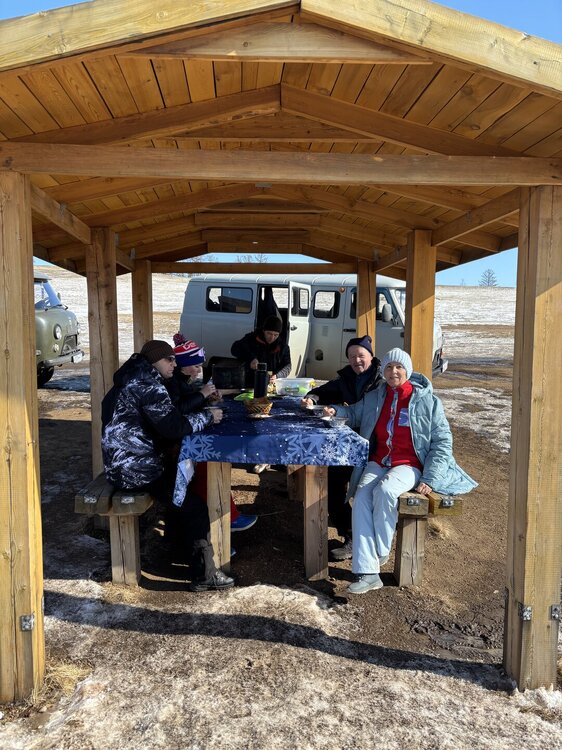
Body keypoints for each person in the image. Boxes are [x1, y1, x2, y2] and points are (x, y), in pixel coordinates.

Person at [326, 348, 477, 595]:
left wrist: (430, 477)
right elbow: (353, 412)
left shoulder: (427, 401)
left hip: (409, 464)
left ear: (408, 370)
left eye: (399, 367)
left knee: (385, 490)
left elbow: (442, 441)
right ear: (383, 371)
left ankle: (379, 551)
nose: (393, 372)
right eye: (388, 367)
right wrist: (336, 410)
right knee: (362, 497)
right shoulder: (376, 396)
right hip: (379, 461)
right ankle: (369, 574)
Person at [101, 339, 234, 592]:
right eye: (169, 359)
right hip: (135, 470)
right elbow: (173, 427)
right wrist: (208, 416)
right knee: (193, 505)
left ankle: (180, 545)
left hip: (121, 464)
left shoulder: (131, 378)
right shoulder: (148, 385)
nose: (174, 363)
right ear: (154, 361)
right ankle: (204, 575)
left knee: (183, 483)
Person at [300, 335, 382, 561]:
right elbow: (324, 391)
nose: (357, 360)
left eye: (361, 355)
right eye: (352, 356)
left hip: (378, 446)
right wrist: (311, 399)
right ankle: (351, 535)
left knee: (365, 491)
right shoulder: (346, 378)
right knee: (331, 482)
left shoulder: (381, 381)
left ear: (371, 356)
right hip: (351, 445)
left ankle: (370, 541)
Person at [169, 333, 258, 534]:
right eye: (196, 366)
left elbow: (188, 402)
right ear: (183, 365)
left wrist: (206, 399)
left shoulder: (182, 380)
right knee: (209, 462)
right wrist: (203, 394)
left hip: (183, 438)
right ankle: (225, 520)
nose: (199, 370)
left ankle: (226, 517)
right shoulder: (173, 382)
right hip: (174, 445)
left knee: (209, 462)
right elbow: (179, 409)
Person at [231, 315, 291, 388]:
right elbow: (234, 348)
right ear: (263, 331)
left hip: (271, 384)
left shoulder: (283, 347)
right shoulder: (251, 338)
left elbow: (287, 366)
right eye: (269, 333)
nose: (272, 338)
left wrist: (278, 375)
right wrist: (251, 359)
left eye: (276, 335)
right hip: (250, 382)